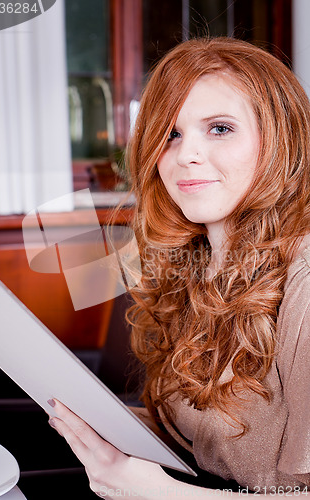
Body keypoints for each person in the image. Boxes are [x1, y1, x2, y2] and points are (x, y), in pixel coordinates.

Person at [47, 37, 310, 497]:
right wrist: (101, 419)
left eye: (220, 128)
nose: (185, 154)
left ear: (281, 141)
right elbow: (203, 441)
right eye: (170, 133)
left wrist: (160, 493)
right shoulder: (191, 265)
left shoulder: (303, 277)